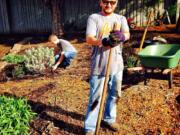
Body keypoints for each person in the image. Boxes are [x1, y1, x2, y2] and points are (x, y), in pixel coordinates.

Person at [84, 0, 130, 134]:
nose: (108, 5)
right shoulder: (94, 18)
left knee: (115, 94)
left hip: (117, 65)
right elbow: (89, 38)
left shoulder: (120, 19)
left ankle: (109, 118)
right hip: (99, 64)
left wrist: (121, 36)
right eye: (105, 1)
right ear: (100, 2)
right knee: (95, 97)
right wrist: (103, 42)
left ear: (116, 3)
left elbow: (127, 34)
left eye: (112, 2)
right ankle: (90, 127)